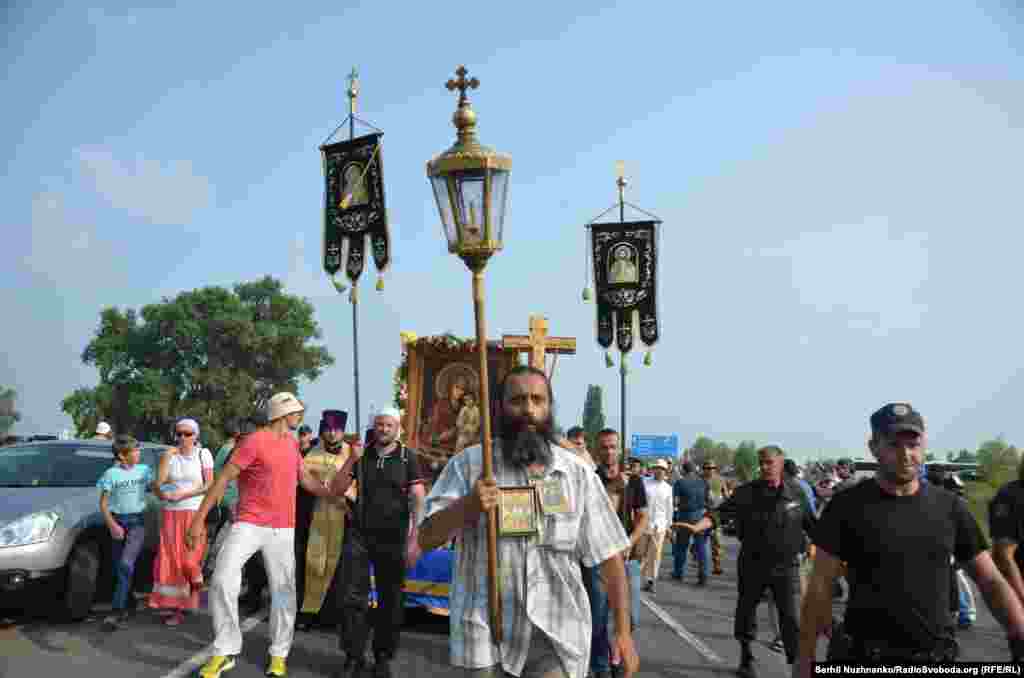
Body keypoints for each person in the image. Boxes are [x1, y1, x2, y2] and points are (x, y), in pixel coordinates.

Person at [417, 365, 640, 678]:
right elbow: (426, 537)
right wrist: (468, 506)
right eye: (518, 400)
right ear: (500, 408)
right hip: (486, 632)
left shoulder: (576, 475)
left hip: (557, 631)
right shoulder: (469, 466)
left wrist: (623, 633)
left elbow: (610, 557)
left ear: (549, 408)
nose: (529, 410)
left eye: (538, 400)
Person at [798, 403, 1024, 673]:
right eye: (894, 445)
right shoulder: (846, 507)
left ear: (924, 445)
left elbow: (990, 580)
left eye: (913, 445)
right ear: (874, 447)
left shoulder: (950, 507)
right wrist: (805, 658)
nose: (906, 455)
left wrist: (1020, 635)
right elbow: (820, 584)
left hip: (935, 658)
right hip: (864, 657)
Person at [190, 392, 340, 678]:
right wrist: (198, 521)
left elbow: (304, 478)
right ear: (282, 414)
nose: (301, 414)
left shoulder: (292, 444)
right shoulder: (253, 441)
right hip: (249, 523)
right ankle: (225, 650)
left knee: (284, 592)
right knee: (222, 579)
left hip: (283, 528)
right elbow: (223, 479)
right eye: (296, 410)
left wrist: (332, 496)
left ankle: (279, 655)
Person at [329, 407, 426, 678]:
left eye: (389, 425)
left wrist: (415, 537)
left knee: (391, 599)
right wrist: (351, 461)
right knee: (351, 597)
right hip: (359, 534)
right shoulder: (362, 456)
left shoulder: (409, 458)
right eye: (380, 424)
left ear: (398, 428)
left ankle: (382, 656)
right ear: (375, 426)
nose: (383, 429)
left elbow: (418, 498)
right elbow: (335, 490)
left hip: (393, 536)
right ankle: (353, 656)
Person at [717, 445, 815, 676]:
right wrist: (702, 524)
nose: (764, 467)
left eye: (769, 462)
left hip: (786, 566)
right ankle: (746, 657)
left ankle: (796, 665)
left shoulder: (796, 493)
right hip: (753, 563)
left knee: (790, 617)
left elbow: (814, 526)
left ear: (781, 464)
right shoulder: (746, 492)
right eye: (761, 462)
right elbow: (720, 514)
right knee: (746, 611)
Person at [149, 418, 214, 626]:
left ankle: (195, 588)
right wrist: (165, 459)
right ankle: (177, 608)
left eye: (188, 434)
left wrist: (184, 494)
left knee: (189, 560)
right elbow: (157, 486)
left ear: (196, 436)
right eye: (179, 434)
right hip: (171, 513)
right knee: (172, 562)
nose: (183, 438)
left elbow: (209, 484)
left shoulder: (203, 454)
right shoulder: (171, 456)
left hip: (194, 512)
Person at [297, 409, 354, 631]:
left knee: (338, 564)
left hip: (344, 516)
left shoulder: (352, 453)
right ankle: (308, 612)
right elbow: (302, 481)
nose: (332, 434)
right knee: (314, 562)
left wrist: (348, 497)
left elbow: (358, 483)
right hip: (316, 516)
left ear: (343, 431)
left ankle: (332, 615)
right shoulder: (312, 453)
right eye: (328, 429)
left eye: (337, 430)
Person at [97, 434, 156, 631]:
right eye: (135, 451)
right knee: (120, 568)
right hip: (117, 521)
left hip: (138, 522)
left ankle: (116, 611)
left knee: (125, 563)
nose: (139, 454)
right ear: (122, 456)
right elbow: (103, 504)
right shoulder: (111, 474)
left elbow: (157, 485)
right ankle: (129, 602)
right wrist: (112, 525)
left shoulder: (144, 470)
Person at [671, 462, 708, 585]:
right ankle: (703, 575)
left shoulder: (680, 483)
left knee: (681, 546)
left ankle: (678, 573)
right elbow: (708, 500)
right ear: (694, 470)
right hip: (701, 515)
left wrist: (674, 517)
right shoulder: (703, 482)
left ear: (683, 470)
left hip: (685, 516)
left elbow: (675, 502)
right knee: (701, 546)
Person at [641, 459, 672, 592]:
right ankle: (637, 579)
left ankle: (651, 580)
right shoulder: (645, 483)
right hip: (644, 523)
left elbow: (669, 508)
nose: (659, 471)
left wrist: (669, 526)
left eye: (662, 469)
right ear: (653, 469)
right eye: (657, 468)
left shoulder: (668, 488)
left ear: (665, 472)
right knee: (640, 553)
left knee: (655, 554)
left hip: (659, 525)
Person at [702, 460, 726, 576]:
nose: (710, 470)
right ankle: (700, 560)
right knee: (701, 540)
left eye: (712, 468)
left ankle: (717, 565)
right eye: (707, 468)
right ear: (704, 469)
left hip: (716, 514)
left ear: (715, 469)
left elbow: (726, 495)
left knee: (717, 541)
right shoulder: (700, 480)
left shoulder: (720, 480)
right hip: (703, 513)